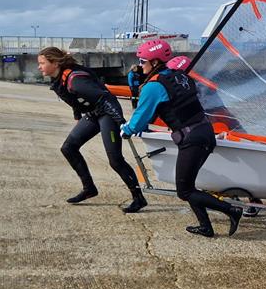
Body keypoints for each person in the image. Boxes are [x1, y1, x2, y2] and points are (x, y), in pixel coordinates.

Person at [121, 40, 243, 238]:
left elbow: (140, 117)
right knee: (189, 186)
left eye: (143, 61)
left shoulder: (154, 86)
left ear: (155, 62)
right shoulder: (180, 77)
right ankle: (206, 226)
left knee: (184, 191)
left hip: (192, 139)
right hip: (204, 132)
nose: (140, 65)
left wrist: (126, 130)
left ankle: (232, 210)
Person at [37, 47, 147, 213]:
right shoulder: (59, 78)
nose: (39, 67)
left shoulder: (76, 80)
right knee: (68, 148)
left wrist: (121, 122)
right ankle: (89, 189)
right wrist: (77, 118)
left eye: (42, 63)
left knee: (115, 160)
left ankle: (139, 198)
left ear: (55, 63)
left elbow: (104, 98)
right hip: (93, 113)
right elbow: (73, 99)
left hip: (107, 112)